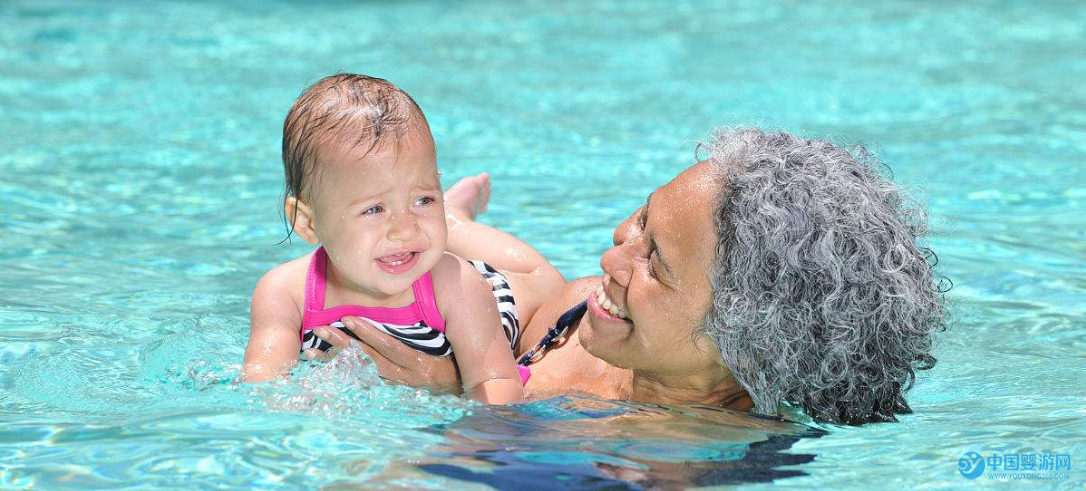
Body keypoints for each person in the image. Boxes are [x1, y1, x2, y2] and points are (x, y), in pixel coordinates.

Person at [311, 127, 947, 425]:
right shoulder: (589, 315)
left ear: (745, 343)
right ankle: (447, 217)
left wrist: (442, 393)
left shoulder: (672, 456)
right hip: (533, 311)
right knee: (514, 273)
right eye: (642, 218)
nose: (616, 249)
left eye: (657, 263)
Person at [241, 74, 565, 405]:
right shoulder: (285, 294)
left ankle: (454, 218)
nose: (405, 229)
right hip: (427, 265)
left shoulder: (458, 287)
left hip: (493, 299)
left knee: (546, 281)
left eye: (423, 199)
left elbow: (495, 383)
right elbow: (263, 391)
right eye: (374, 209)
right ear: (308, 223)